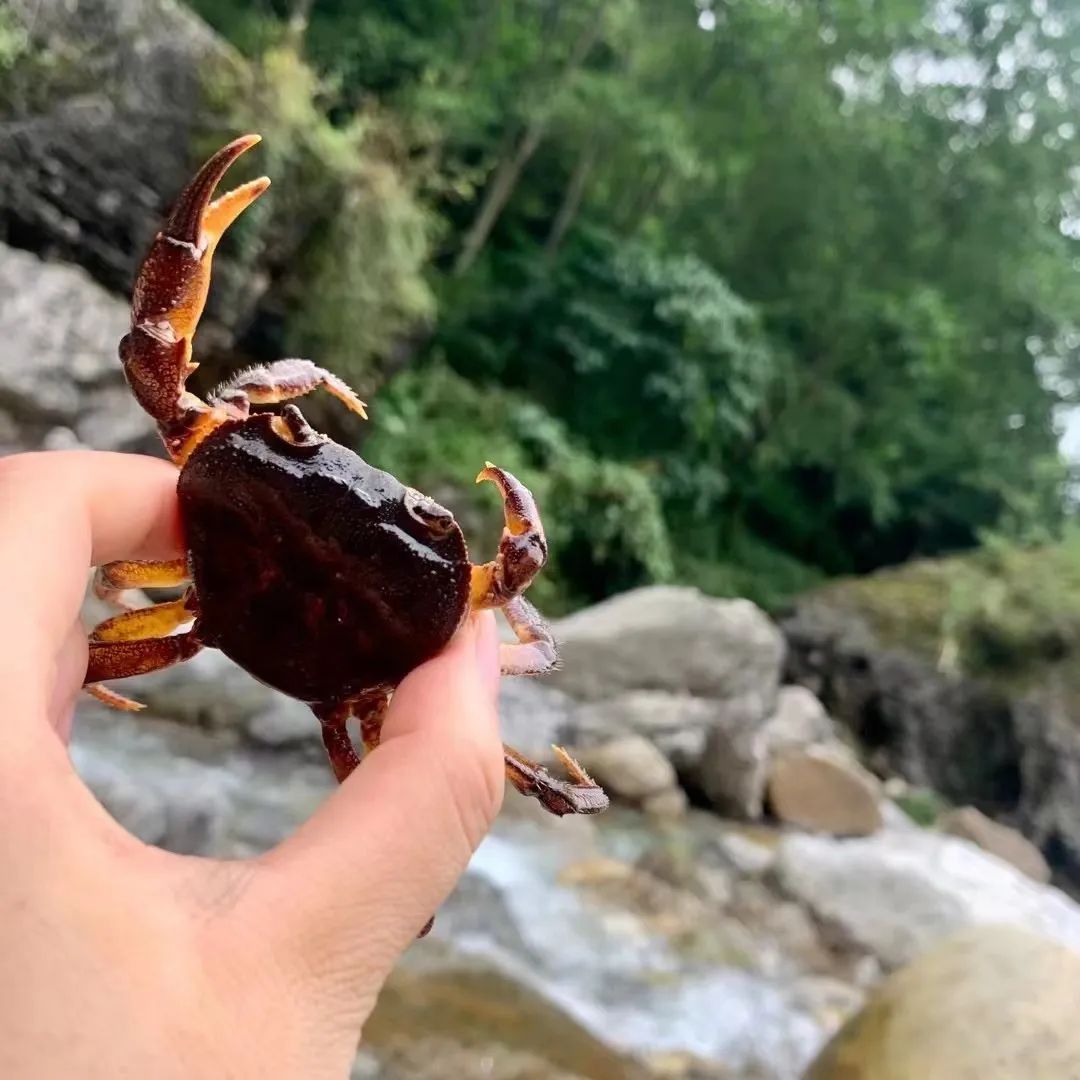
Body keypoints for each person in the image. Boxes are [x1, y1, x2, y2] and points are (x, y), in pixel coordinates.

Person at [0, 450, 505, 1077]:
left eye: (421, 520)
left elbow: (118, 562)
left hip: (202, 623)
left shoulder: (251, 463)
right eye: (295, 444)